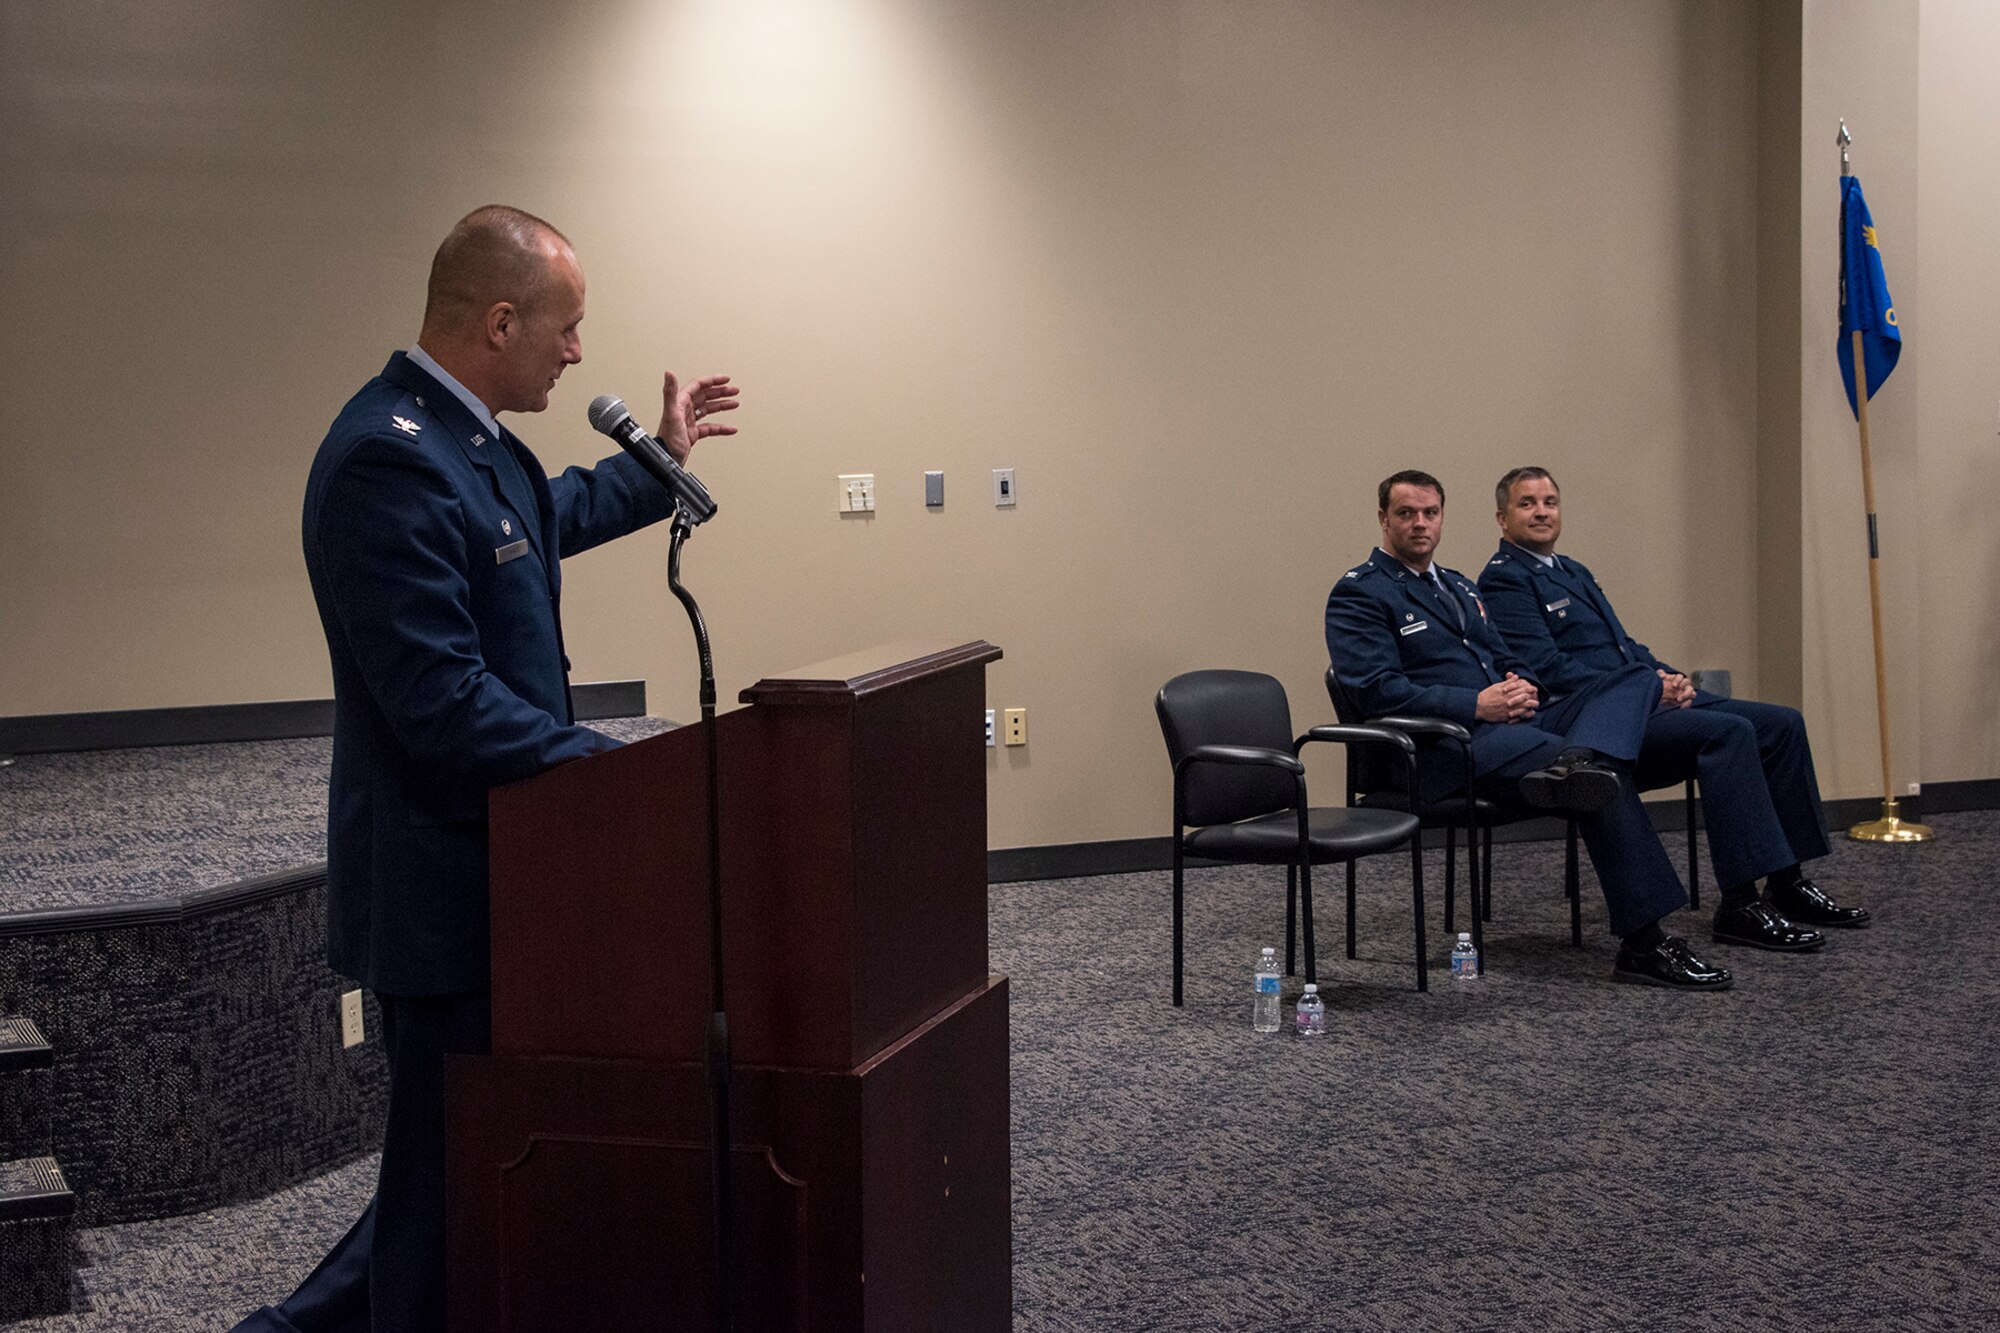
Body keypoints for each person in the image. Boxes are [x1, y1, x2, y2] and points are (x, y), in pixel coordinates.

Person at [233, 205, 739, 1333]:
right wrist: (611, 770)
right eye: (565, 329)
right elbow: (441, 706)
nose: (575, 352)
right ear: (501, 320)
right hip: (440, 887)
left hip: (503, 872)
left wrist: (659, 465)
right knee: (440, 1198)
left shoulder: (468, 441)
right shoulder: (385, 456)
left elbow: (536, 518)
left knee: (451, 1177)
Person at [1325, 470, 1732, 990]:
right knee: (1601, 778)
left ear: (1443, 518)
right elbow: (1374, 689)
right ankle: (1645, 945)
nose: (1420, 524)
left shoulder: (1457, 585)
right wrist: (1476, 703)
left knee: (1631, 677)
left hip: (1518, 726)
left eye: (1430, 513)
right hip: (1443, 747)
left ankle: (1576, 759)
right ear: (1384, 519)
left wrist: (1523, 684)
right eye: (1407, 514)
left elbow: (1509, 656)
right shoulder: (1359, 594)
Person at [1476, 466, 1867, 952]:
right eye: (1527, 503)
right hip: (1594, 719)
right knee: (1729, 734)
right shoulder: (1504, 580)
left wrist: (1669, 677)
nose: (1541, 512)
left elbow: (1624, 645)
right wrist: (1643, 689)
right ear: (1502, 517)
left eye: (1549, 502)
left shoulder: (1571, 570)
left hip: (1641, 697)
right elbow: (1547, 668)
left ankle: (1786, 883)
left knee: (1782, 723)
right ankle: (1741, 905)